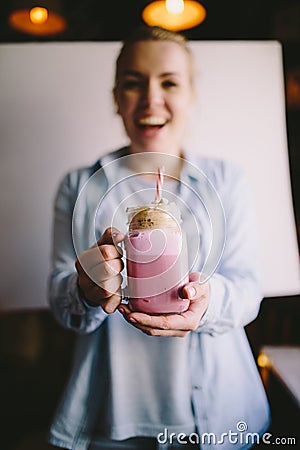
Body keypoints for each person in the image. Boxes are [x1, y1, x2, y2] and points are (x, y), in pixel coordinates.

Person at [48, 25, 270, 450]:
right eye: (133, 83)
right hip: (114, 420)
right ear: (116, 97)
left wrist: (205, 303)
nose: (151, 98)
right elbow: (59, 296)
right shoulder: (81, 186)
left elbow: (246, 288)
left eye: (169, 82)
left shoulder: (227, 181)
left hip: (221, 418)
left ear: (191, 95)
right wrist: (85, 288)